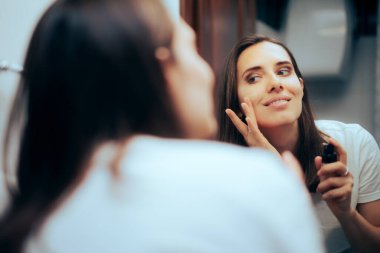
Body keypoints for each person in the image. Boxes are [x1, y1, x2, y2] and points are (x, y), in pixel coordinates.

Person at [0, 0, 325, 252]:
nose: (205, 73)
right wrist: (285, 197)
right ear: (163, 69)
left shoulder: (33, 219)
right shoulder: (256, 181)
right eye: (192, 50)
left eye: (284, 71)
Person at [217, 33, 380, 253]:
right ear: (236, 103)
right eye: (254, 78)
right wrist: (277, 176)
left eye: (283, 71)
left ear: (301, 87)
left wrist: (345, 213)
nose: (275, 83)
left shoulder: (355, 142)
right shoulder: (223, 176)